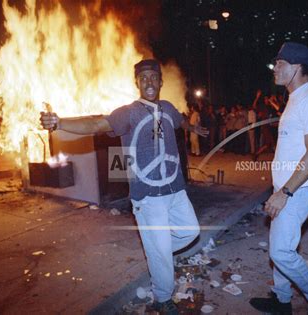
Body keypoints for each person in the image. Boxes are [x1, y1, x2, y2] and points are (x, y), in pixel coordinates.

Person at [40, 59, 208, 315]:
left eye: (154, 77)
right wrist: (60, 122)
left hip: (175, 189)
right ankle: (162, 299)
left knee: (190, 232)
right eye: (144, 78)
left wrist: (192, 126)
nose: (149, 82)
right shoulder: (129, 112)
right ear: (137, 83)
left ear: (161, 82)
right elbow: (97, 124)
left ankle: (157, 254)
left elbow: (179, 121)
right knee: (161, 251)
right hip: (148, 195)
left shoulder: (168, 108)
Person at [249, 42, 308, 315]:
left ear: (297, 67)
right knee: (281, 246)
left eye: (281, 63)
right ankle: (281, 300)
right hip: (288, 188)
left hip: (298, 190)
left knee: (281, 253)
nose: (275, 68)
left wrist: (284, 193)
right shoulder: (295, 98)